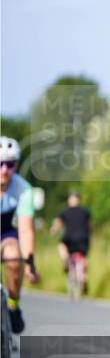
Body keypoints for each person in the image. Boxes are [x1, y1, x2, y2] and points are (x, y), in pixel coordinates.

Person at [0, 136, 41, 334]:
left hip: (6, 231)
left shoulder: (24, 189)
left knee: (14, 257)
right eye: (0, 164)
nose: (5, 170)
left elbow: (25, 229)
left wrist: (30, 261)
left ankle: (13, 305)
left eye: (10, 164)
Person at [51, 190, 92, 292]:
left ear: (69, 200)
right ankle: (84, 278)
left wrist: (54, 229)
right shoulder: (85, 211)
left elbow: (58, 224)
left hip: (69, 238)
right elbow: (90, 226)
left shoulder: (65, 212)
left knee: (61, 245)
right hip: (83, 238)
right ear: (79, 200)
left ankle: (65, 260)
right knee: (83, 257)